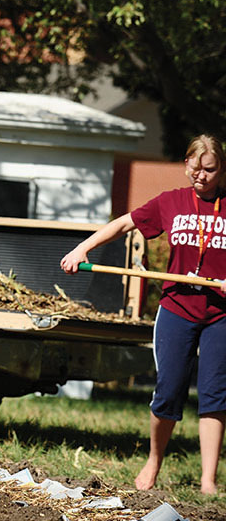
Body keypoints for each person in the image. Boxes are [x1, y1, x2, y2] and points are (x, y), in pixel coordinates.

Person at [60, 134, 226, 494]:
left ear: (221, 169)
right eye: (195, 168)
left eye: (210, 170)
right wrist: (81, 249)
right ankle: (154, 461)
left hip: (220, 314)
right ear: (185, 165)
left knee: (215, 394)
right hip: (178, 308)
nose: (201, 176)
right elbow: (123, 224)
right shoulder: (171, 202)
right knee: (167, 390)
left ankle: (208, 480)